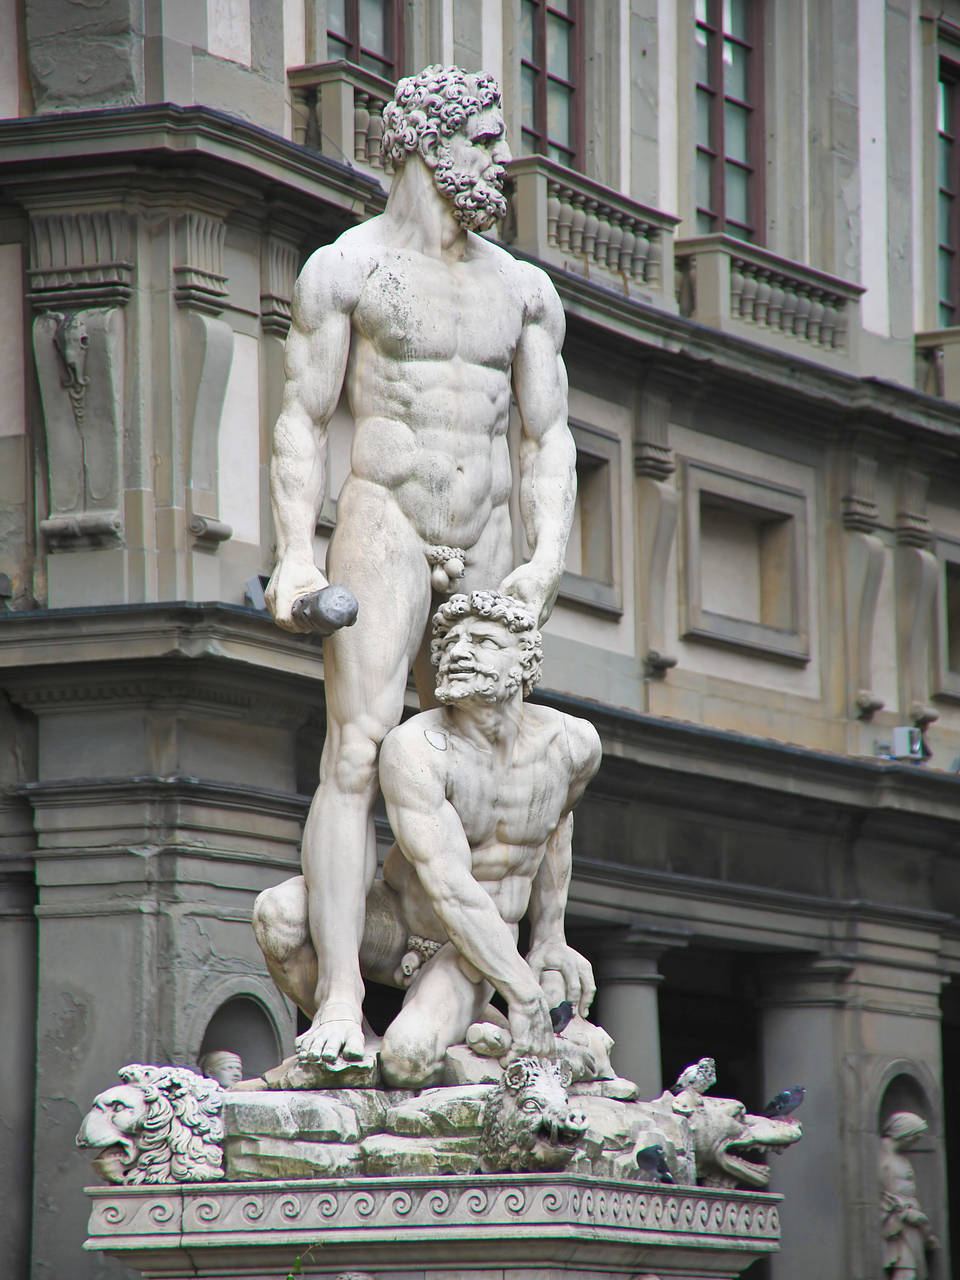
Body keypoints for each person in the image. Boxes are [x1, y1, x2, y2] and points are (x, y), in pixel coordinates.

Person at [265, 65, 577, 1068]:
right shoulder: (346, 269)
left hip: (484, 527)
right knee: (356, 754)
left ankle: (477, 979)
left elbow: (548, 440)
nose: (499, 157)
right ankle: (343, 999)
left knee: (494, 750)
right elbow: (303, 421)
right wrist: (293, 559)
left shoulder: (524, 291)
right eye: (482, 138)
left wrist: (544, 562)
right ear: (424, 144)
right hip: (387, 518)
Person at [253, 591, 600, 1087]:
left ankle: (450, 1040)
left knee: (410, 1057)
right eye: (451, 642)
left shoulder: (574, 744)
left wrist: (550, 935)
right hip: (395, 924)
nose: (459, 651)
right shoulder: (417, 747)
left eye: (482, 641)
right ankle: (355, 1049)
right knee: (278, 913)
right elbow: (449, 885)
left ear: (525, 660)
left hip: (472, 947)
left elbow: (554, 828)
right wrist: (524, 993)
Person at [879, 1111, 939, 1280]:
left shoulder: (900, 1159)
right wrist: (903, 1213)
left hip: (911, 1220)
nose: (916, 1141)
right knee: (906, 1269)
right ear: (904, 1132)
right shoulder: (881, 1158)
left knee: (913, 1270)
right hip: (899, 1222)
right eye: (915, 1136)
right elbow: (881, 1196)